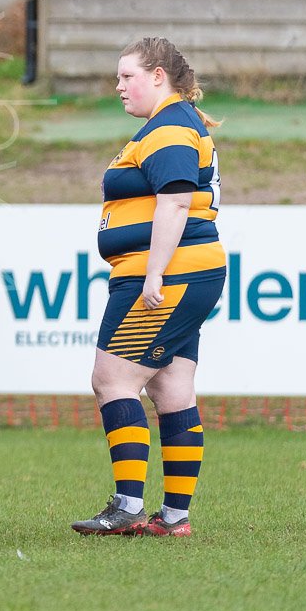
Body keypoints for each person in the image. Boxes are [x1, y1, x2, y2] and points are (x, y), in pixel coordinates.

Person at [71, 38, 224, 539]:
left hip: (169, 275)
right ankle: (174, 517)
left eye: (126, 76)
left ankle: (127, 507)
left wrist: (154, 272)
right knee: (170, 387)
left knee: (112, 379)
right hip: (187, 273)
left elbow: (175, 203)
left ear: (158, 75)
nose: (118, 86)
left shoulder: (171, 128)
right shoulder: (172, 125)